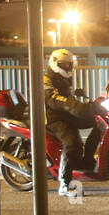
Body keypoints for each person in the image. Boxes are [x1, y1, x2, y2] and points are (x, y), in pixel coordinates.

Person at [43, 48, 93, 195]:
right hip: (52, 117)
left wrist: (87, 105)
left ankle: (87, 160)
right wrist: (73, 105)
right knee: (72, 143)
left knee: (96, 121)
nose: (67, 67)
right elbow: (53, 99)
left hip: (65, 114)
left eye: (69, 65)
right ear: (54, 63)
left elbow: (68, 97)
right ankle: (64, 183)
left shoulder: (63, 78)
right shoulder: (46, 78)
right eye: (63, 64)